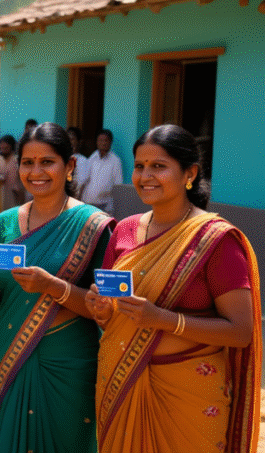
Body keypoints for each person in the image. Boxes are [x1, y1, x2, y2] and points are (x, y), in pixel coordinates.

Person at [86, 124, 260, 453]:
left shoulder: (216, 240)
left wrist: (165, 320)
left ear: (189, 173)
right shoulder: (123, 231)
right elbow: (113, 316)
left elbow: (240, 332)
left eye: (159, 166)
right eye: (139, 166)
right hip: (122, 382)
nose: (145, 176)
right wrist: (102, 309)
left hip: (189, 395)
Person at [0, 122, 114, 453]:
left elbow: (105, 310)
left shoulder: (93, 226)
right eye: (27, 162)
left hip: (67, 365)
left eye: (47, 162)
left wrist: (53, 286)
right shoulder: (6, 222)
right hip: (6, 358)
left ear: (70, 166)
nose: (36, 171)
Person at [80, 128, 123, 214]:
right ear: (97, 142)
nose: (103, 143)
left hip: (105, 205)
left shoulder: (115, 160)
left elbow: (118, 184)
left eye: (106, 140)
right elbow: (83, 180)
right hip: (88, 203)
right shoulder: (92, 157)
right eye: (100, 140)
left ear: (110, 142)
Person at [0, 134, 25, 207]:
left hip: (15, 198)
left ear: (11, 147)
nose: (3, 150)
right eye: (2, 148)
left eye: (6, 148)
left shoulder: (17, 161)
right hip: (1, 197)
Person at [67, 126, 89, 197]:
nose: (70, 142)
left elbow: (81, 184)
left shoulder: (83, 160)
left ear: (78, 141)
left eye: (72, 139)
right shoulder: (62, 158)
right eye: (68, 139)